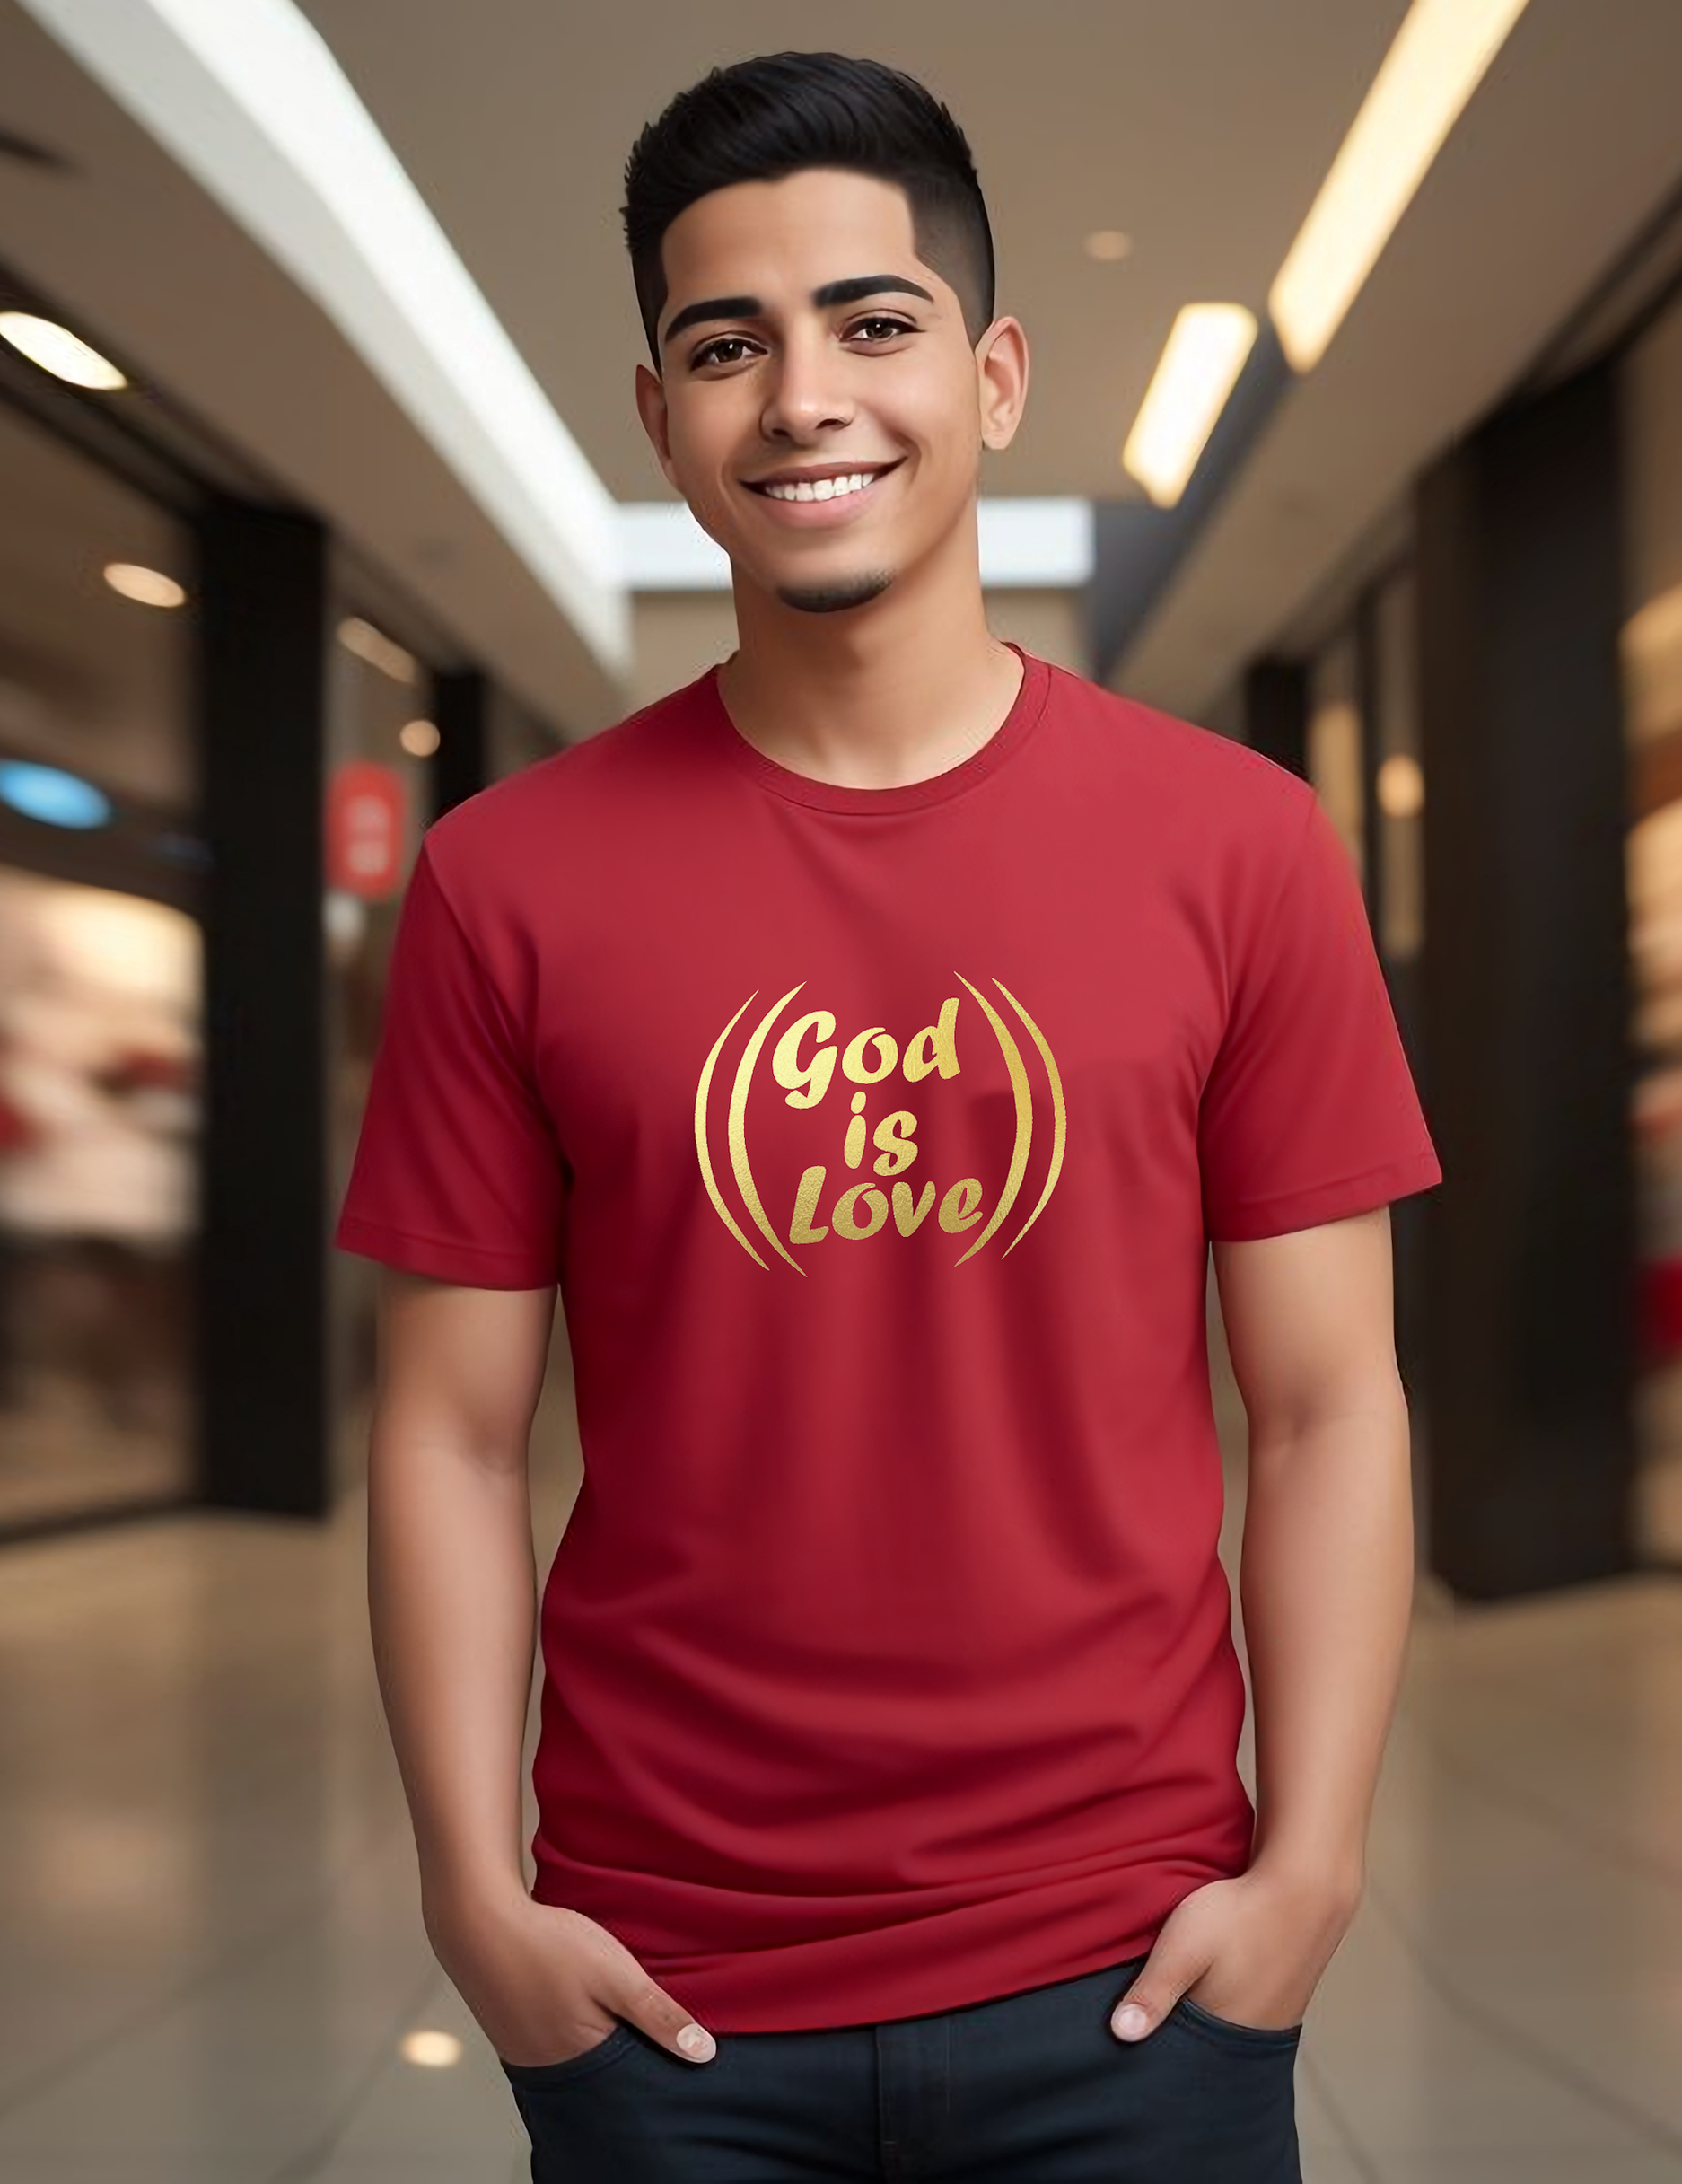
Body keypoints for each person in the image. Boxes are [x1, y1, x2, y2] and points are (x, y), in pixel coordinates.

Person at [337, 50, 1442, 2182]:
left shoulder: (1239, 846)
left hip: (1130, 1961)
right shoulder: (509, 877)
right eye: (724, 345)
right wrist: (479, 1900)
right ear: (659, 420)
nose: (803, 396)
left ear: (993, 372)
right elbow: (446, 1431)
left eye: (873, 323)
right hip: (664, 1983)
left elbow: (1325, 1407)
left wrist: (1305, 1865)